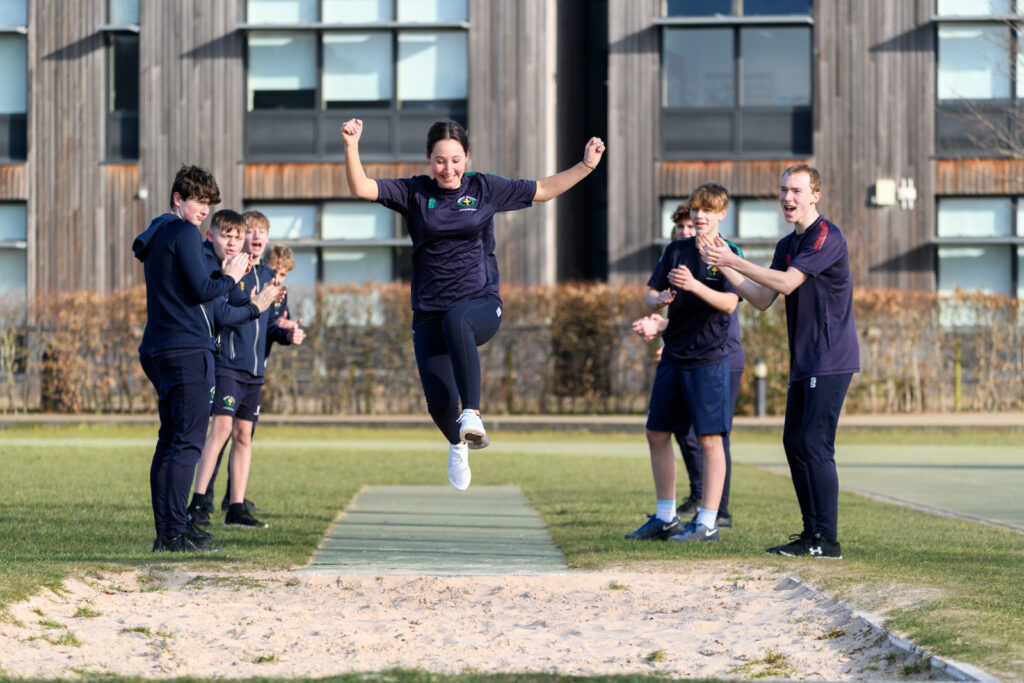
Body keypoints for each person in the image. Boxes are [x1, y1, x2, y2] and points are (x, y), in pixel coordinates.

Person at [341, 117, 604, 490]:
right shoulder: (414, 193)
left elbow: (543, 189)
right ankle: (457, 442)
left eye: (455, 160)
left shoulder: (485, 188)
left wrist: (587, 165)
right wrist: (352, 146)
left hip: (480, 305)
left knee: (458, 321)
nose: (448, 169)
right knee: (438, 404)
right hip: (428, 312)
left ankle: (473, 413)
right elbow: (363, 188)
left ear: (467, 157)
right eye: (440, 161)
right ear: (429, 160)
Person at [701, 164, 859, 558]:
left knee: (814, 443)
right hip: (805, 360)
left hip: (831, 359)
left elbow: (788, 283)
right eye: (784, 190)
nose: (788, 198)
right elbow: (762, 299)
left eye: (796, 191)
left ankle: (828, 541)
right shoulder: (787, 245)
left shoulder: (827, 236)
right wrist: (723, 265)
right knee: (793, 442)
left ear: (815, 195)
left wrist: (735, 261)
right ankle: (811, 536)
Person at [133, 165, 250, 553]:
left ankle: (171, 528)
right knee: (185, 444)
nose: (203, 209)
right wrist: (231, 276)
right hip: (186, 350)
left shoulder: (159, 230)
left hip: (162, 348)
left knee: (170, 442)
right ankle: (172, 533)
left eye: (208, 202)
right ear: (177, 199)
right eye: (197, 201)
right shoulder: (183, 232)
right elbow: (203, 289)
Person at [626, 183, 741, 543]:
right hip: (674, 355)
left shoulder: (728, 253)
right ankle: (666, 518)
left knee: (710, 439)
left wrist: (693, 286)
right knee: (656, 432)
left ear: (722, 214)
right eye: (695, 210)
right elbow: (648, 294)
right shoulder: (674, 250)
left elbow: (729, 304)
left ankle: (707, 523)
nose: (700, 216)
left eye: (707, 211)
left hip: (710, 357)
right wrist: (657, 298)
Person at [188, 211, 300, 529]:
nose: (251, 237)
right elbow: (222, 313)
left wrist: (287, 331)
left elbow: (272, 320)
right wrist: (252, 304)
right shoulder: (229, 269)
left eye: (259, 232)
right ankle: (198, 502)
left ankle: (235, 507)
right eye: (246, 232)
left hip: (254, 370)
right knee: (221, 430)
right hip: (229, 364)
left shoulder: (266, 275)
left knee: (244, 437)